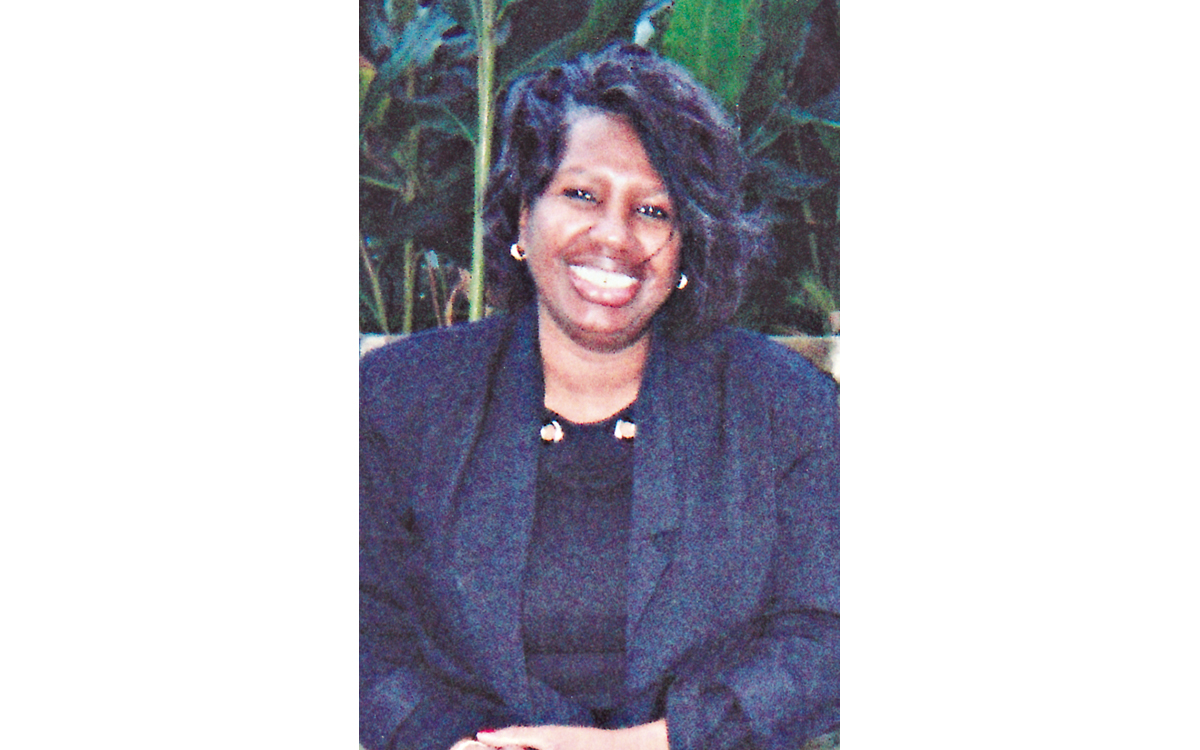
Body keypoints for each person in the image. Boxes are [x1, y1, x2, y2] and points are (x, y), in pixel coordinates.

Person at [360, 44, 839, 750]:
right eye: (582, 195)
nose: (615, 236)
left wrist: (649, 745)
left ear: (687, 244)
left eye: (653, 210)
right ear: (522, 214)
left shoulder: (787, 410)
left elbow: (831, 635)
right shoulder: (396, 401)